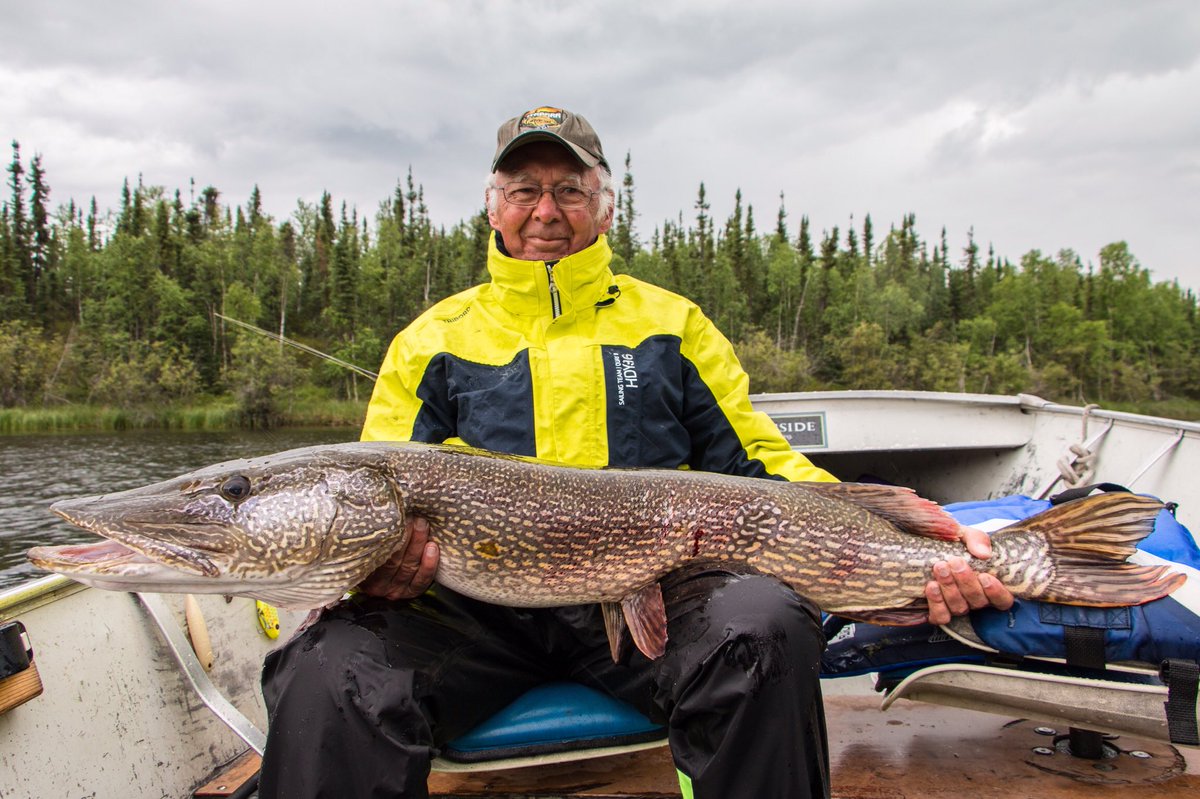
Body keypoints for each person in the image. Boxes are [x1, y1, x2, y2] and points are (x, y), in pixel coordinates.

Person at [258, 106, 1013, 799]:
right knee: (329, 669)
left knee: (763, 625)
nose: (546, 211)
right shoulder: (433, 340)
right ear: (493, 203)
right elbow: (371, 487)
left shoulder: (672, 326)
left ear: (605, 205)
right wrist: (373, 566)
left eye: (570, 190)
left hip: (651, 596)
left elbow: (758, 462)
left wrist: (926, 539)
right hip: (475, 608)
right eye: (524, 190)